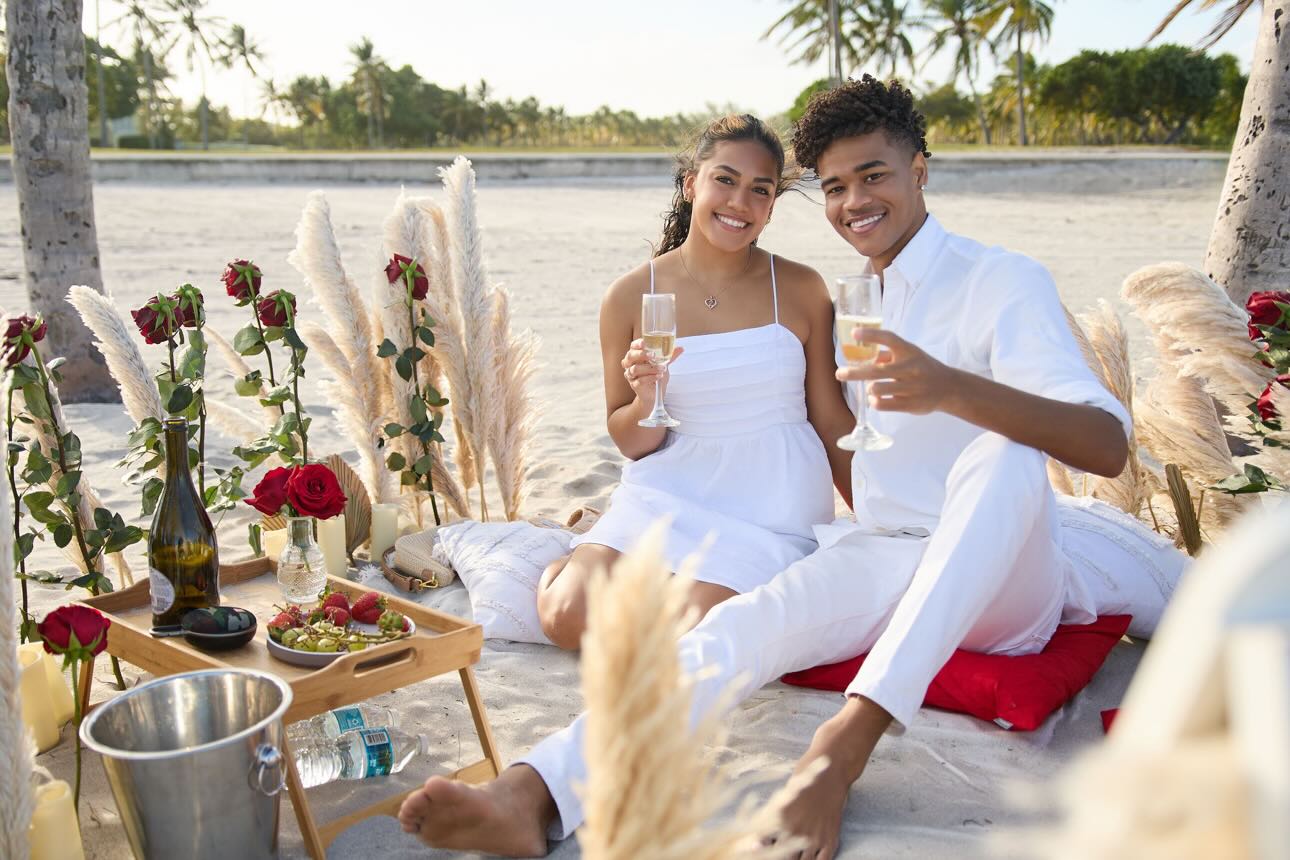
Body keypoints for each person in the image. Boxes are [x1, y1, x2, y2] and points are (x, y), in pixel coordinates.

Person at [398, 77, 1188, 858]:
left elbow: (1104, 444)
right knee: (737, 631)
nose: (853, 203)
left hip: (1002, 580)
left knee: (1002, 453)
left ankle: (839, 748)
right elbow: (841, 438)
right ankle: (531, 795)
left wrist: (949, 387)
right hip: (882, 549)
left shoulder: (1001, 280)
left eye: (873, 175)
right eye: (834, 187)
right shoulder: (857, 293)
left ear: (920, 169)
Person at [535, 114, 854, 650]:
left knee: (678, 634)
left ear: (772, 205)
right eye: (724, 180)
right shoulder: (629, 295)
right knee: (566, 619)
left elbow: (829, 417)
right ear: (691, 184)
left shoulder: (800, 288)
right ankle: (578, 558)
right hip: (668, 489)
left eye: (760, 190)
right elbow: (633, 441)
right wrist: (648, 397)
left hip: (770, 504)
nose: (739, 203)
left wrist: (878, 512)